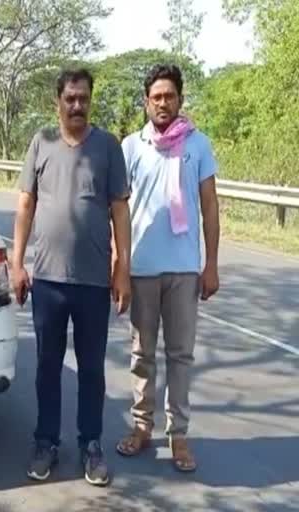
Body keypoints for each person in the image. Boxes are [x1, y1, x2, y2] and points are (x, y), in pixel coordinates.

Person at [12, 68, 132, 487]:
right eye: (70, 99)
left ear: (90, 100)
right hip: (47, 279)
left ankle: (91, 444)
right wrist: (16, 264)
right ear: (58, 102)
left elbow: (120, 210)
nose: (77, 105)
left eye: (83, 98)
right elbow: (25, 204)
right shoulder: (41, 144)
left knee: (92, 370)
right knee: (47, 367)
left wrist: (122, 270)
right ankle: (46, 441)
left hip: (94, 282)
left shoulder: (108, 147)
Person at [115, 64, 219, 473]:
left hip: (183, 270)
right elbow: (118, 209)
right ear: (146, 101)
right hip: (141, 267)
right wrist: (118, 263)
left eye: (170, 96)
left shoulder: (199, 145)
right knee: (142, 355)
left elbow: (209, 205)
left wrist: (211, 264)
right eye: (156, 96)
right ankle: (142, 427)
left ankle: (179, 436)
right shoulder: (131, 146)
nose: (163, 102)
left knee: (180, 356)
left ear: (180, 99)